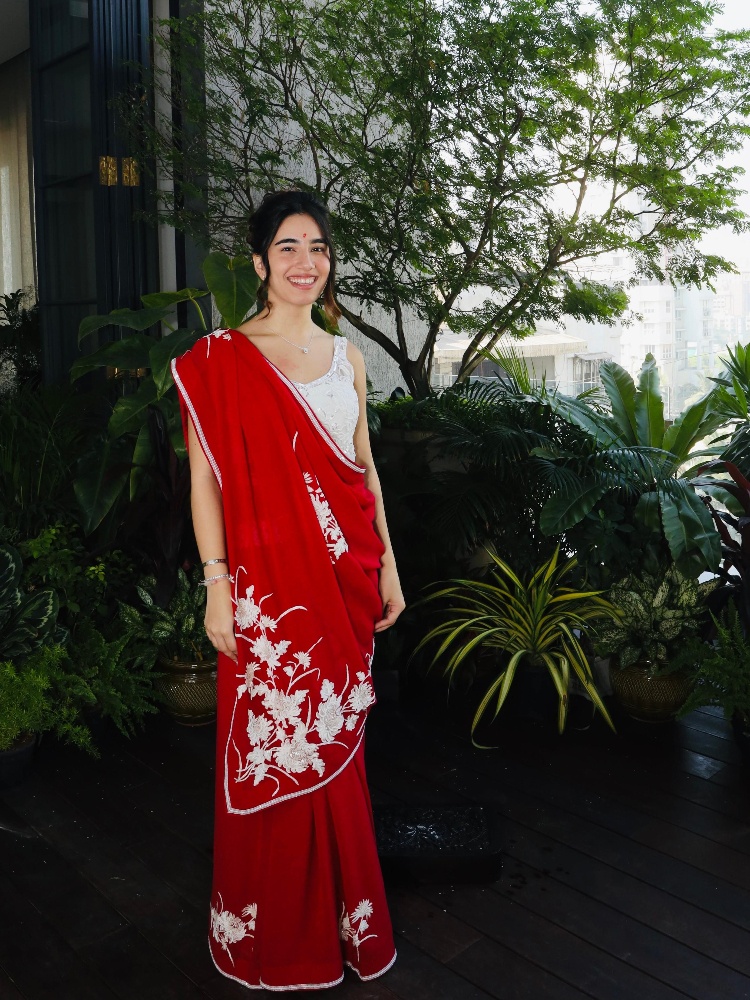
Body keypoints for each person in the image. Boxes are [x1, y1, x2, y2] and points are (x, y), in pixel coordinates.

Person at [171, 190, 405, 991]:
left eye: (319, 248)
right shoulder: (219, 361)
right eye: (289, 248)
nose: (307, 263)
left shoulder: (349, 358)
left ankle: (347, 924)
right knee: (275, 755)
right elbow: (205, 484)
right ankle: (272, 938)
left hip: (346, 585)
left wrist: (391, 566)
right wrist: (215, 585)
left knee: (340, 750)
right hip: (269, 598)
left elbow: (363, 468)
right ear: (261, 261)